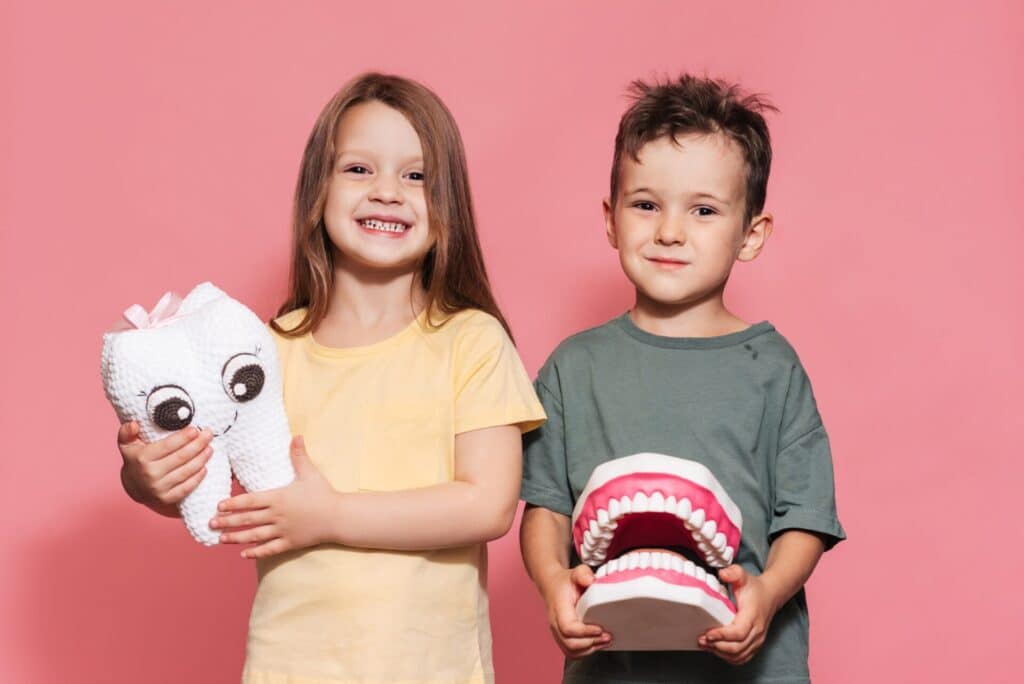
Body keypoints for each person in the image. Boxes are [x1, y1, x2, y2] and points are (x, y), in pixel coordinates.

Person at [116, 72, 545, 684]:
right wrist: (148, 480)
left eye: (416, 175)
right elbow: (219, 493)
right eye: (359, 169)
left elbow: (488, 504)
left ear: (447, 206)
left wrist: (331, 516)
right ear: (317, 192)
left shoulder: (470, 341)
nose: (389, 192)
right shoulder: (261, 354)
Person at [519, 74, 846, 683]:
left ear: (751, 234)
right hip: (610, 666)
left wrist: (769, 592)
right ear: (611, 219)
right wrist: (551, 582)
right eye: (646, 204)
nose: (669, 231)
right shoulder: (573, 366)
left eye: (702, 210)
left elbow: (805, 516)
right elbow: (545, 508)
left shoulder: (774, 369)